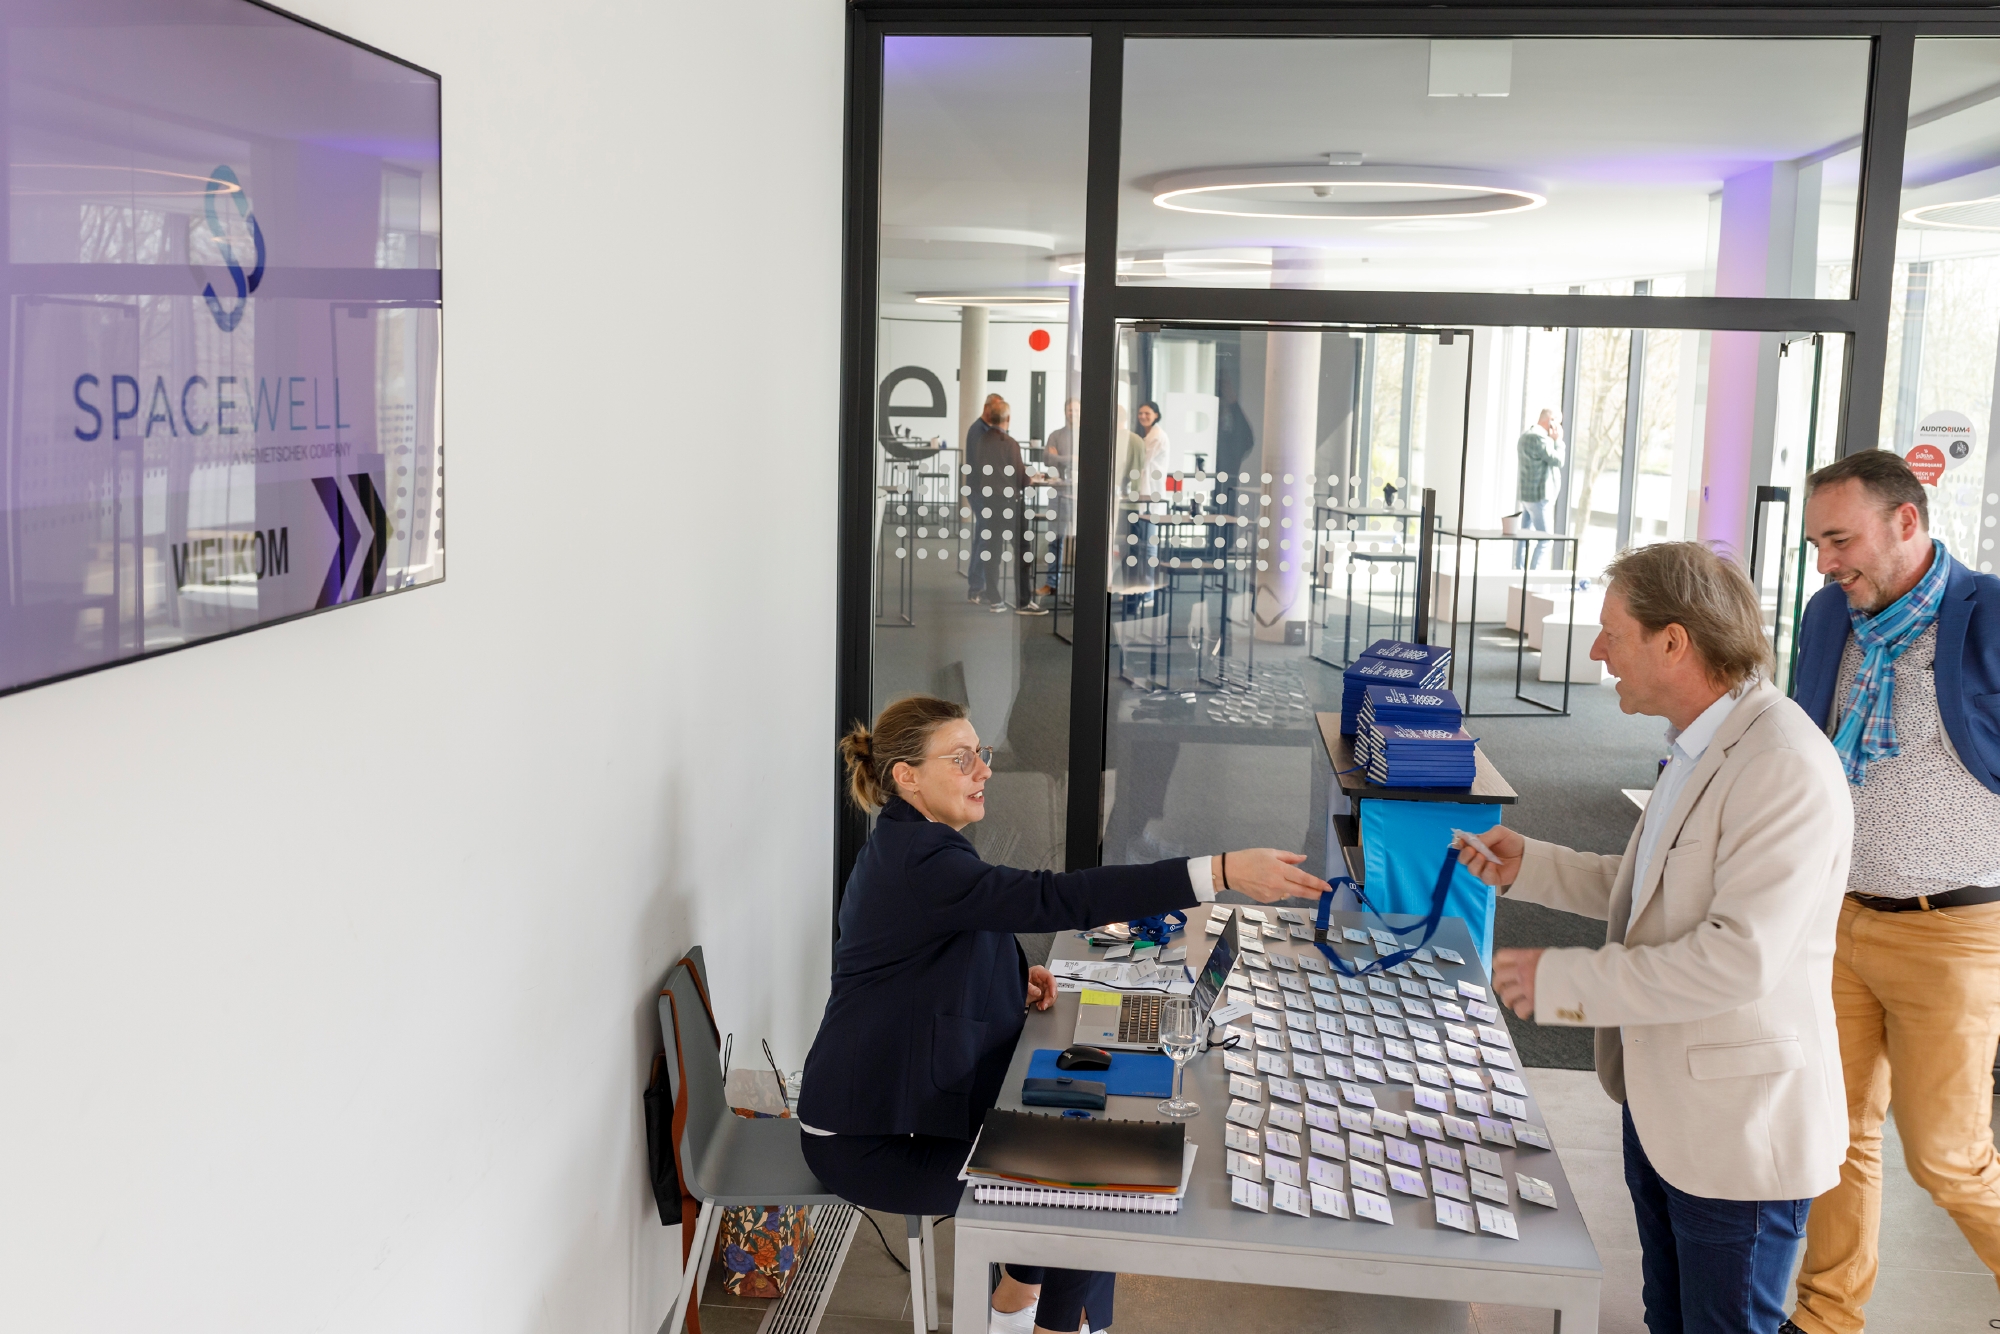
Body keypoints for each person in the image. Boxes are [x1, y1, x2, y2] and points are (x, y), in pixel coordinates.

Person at [800, 696, 1330, 1334]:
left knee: (1085, 1137)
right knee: (1086, 1181)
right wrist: (1215, 871)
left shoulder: (914, 843)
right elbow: (1052, 898)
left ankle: (1021, 1305)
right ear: (906, 776)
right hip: (869, 1139)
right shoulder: (921, 858)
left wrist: (1010, 978)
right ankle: (1047, 1319)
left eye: (982, 755)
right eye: (962, 759)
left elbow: (942, 942)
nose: (984, 771)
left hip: (901, 1100)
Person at [1455, 541, 1853, 1334]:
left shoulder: (1781, 765)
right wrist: (1530, 864)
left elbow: (1736, 959)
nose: (1597, 650)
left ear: (1675, 642)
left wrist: (1565, 984)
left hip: (1739, 1135)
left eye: (1613, 632)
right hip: (1666, 1107)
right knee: (1667, 1316)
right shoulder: (1702, 742)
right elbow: (1652, 893)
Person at [1785, 451, 2000, 1334]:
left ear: (1907, 522)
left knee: (1948, 1156)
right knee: (1833, 1137)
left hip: (1953, 929)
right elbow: (1800, 740)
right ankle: (1827, 1314)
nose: (1828, 562)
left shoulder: (1988, 614)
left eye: (1841, 540)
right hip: (1839, 916)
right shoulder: (1827, 615)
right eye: (1818, 544)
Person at [965, 395, 1010, 606]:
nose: (997, 415)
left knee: (983, 537)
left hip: (982, 490)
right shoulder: (978, 431)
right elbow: (986, 462)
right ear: (987, 409)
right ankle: (976, 587)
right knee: (985, 538)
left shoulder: (985, 431)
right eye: (995, 410)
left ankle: (977, 585)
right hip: (979, 491)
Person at [1038, 399, 1079, 597]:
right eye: (1070, 409)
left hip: (1079, 496)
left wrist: (1060, 458)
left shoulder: (1087, 435)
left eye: (1077, 410)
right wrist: (1071, 459)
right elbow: (1047, 459)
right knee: (1055, 539)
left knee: (1083, 541)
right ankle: (1051, 584)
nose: (1073, 413)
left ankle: (1084, 587)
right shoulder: (1055, 435)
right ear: (1065, 412)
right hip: (1057, 494)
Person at [1514, 408, 1563, 571]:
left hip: (1527, 495)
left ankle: (1519, 571)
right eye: (1557, 422)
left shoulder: (1526, 436)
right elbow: (1558, 460)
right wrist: (1558, 441)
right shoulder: (1539, 439)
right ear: (1550, 420)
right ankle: (1533, 576)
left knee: (1523, 535)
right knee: (1545, 539)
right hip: (1538, 497)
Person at [1134, 400, 1170, 499]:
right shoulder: (1147, 433)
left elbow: (1143, 459)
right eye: (1140, 413)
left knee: (1150, 511)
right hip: (1147, 481)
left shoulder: (1157, 436)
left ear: (1156, 415)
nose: (1143, 416)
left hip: (1152, 483)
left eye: (1147, 413)